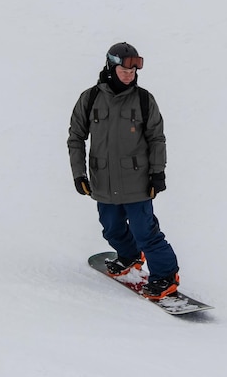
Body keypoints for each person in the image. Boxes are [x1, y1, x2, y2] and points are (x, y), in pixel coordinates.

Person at [67, 42, 180, 300]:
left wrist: (157, 173)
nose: (129, 75)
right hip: (102, 181)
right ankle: (129, 256)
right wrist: (78, 173)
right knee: (112, 230)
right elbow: (76, 138)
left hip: (137, 182)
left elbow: (156, 139)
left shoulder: (143, 99)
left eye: (133, 72)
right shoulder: (90, 98)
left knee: (146, 233)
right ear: (111, 67)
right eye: (124, 71)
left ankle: (165, 276)